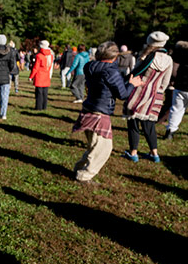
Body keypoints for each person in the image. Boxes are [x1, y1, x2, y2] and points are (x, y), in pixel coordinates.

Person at [72, 42, 144, 184]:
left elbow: (107, 84)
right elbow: (122, 94)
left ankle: (79, 168)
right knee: (103, 148)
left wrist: (125, 80)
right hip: (100, 113)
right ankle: (84, 176)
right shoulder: (111, 71)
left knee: (94, 147)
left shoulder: (90, 66)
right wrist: (132, 84)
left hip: (89, 110)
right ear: (114, 56)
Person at [122, 32, 172, 163]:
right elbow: (165, 82)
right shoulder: (169, 59)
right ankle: (154, 154)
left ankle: (133, 153)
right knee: (149, 125)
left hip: (138, 91)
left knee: (133, 122)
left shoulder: (146, 56)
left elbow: (135, 73)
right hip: (155, 94)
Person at [29, 40, 54, 110]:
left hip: (39, 76)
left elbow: (35, 68)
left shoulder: (39, 56)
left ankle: (38, 107)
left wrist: (31, 76)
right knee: (45, 93)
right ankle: (44, 106)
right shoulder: (50, 56)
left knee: (39, 93)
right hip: (46, 76)